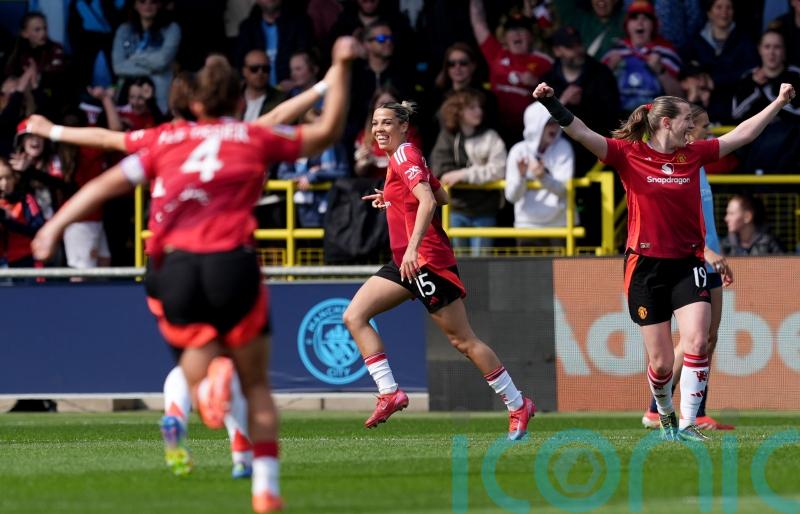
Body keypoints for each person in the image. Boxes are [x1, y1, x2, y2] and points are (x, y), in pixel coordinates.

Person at [30, 37, 359, 513]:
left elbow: (105, 167)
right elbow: (326, 131)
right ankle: (264, 485)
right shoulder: (251, 136)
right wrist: (340, 70)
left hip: (171, 267)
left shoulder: (164, 139)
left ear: (196, 102)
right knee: (256, 383)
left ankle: (202, 387)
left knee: (195, 355)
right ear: (237, 101)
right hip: (232, 263)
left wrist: (54, 224)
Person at [531, 78, 795, 441]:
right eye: (687, 118)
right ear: (666, 122)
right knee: (661, 363)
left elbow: (742, 135)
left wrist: (779, 102)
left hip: (688, 263)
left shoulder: (695, 154)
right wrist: (551, 103)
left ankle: (688, 421)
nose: (693, 125)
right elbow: (581, 133)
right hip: (645, 267)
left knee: (698, 342)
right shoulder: (627, 154)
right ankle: (664, 411)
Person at [342, 101, 535, 440]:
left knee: (463, 340)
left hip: (425, 260)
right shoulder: (401, 158)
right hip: (405, 261)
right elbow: (441, 196)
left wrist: (414, 246)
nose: (379, 129)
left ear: (404, 127)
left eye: (387, 123)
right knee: (354, 316)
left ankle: (518, 404)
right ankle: (390, 393)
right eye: (375, 123)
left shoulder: (404, 156)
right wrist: (391, 198)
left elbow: (430, 203)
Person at [641, 104, 734, 431]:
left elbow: (704, 215)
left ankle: (697, 411)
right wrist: (706, 250)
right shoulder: (681, 164)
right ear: (686, 127)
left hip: (710, 254)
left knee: (708, 338)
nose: (708, 132)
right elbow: (682, 217)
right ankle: (657, 409)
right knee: (692, 339)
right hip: (694, 256)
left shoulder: (700, 162)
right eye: (703, 126)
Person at [430, 88, 507, 255]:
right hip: (456, 209)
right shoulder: (447, 137)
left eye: (479, 107)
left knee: (481, 264)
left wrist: (463, 175)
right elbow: (440, 169)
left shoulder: (491, 136)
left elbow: (499, 170)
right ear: (458, 112)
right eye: (472, 107)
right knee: (458, 263)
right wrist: (469, 174)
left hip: (484, 210)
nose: (478, 111)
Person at [469, 0, 553, 145]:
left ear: (531, 37)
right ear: (505, 38)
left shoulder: (544, 62)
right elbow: (478, 23)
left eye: (522, 30)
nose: (517, 34)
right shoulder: (496, 53)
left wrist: (536, 81)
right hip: (497, 128)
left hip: (531, 131)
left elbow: (559, 91)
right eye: (512, 31)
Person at [504, 102, 576, 247]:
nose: (554, 126)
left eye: (557, 121)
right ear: (535, 123)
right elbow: (511, 196)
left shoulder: (563, 148)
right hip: (527, 226)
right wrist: (522, 177)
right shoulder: (518, 151)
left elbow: (563, 190)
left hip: (560, 226)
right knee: (527, 271)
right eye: (549, 122)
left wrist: (542, 177)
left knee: (562, 271)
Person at [680, 0, 759, 124]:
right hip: (702, 108)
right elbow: (686, 68)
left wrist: (714, 80)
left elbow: (751, 71)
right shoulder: (695, 42)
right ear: (709, 12)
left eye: (729, 7)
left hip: (736, 109)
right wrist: (701, 79)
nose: (724, 12)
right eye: (719, 7)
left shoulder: (745, 40)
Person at [601, 0, 683, 115]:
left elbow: (679, 98)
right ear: (627, 25)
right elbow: (596, 95)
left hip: (655, 119)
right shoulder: (615, 51)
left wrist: (661, 71)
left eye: (646, 18)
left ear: (654, 25)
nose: (640, 23)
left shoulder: (666, 52)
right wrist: (608, 69)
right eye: (634, 18)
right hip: (618, 118)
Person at [112, 0, 182, 114]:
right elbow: (118, 67)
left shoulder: (172, 28)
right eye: (142, 1)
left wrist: (135, 58)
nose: (147, 6)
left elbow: (162, 61)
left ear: (159, 4)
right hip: (125, 98)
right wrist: (155, 69)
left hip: (159, 100)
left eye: (152, 2)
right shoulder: (124, 30)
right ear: (135, 4)